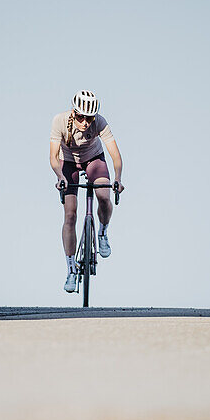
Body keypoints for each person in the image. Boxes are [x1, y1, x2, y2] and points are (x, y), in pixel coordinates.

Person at [50, 90, 124, 293]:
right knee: (70, 214)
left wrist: (117, 179)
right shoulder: (60, 121)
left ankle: (102, 232)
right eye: (81, 117)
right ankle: (71, 269)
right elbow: (53, 156)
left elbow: (115, 155)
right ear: (74, 113)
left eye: (89, 118)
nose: (85, 122)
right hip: (68, 164)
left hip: (93, 159)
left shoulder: (100, 122)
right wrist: (60, 176)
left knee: (103, 195)